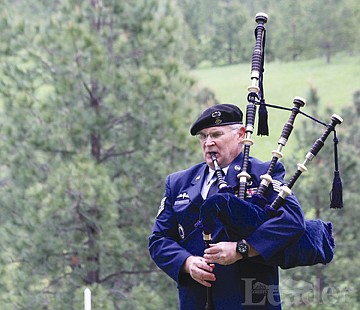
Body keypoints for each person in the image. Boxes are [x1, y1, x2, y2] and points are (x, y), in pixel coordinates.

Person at [148, 104, 305, 309]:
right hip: (196, 302)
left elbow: (292, 220)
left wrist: (242, 249)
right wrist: (187, 263)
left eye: (216, 134)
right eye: (203, 137)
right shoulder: (178, 182)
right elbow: (159, 240)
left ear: (240, 135)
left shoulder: (263, 174)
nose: (208, 143)